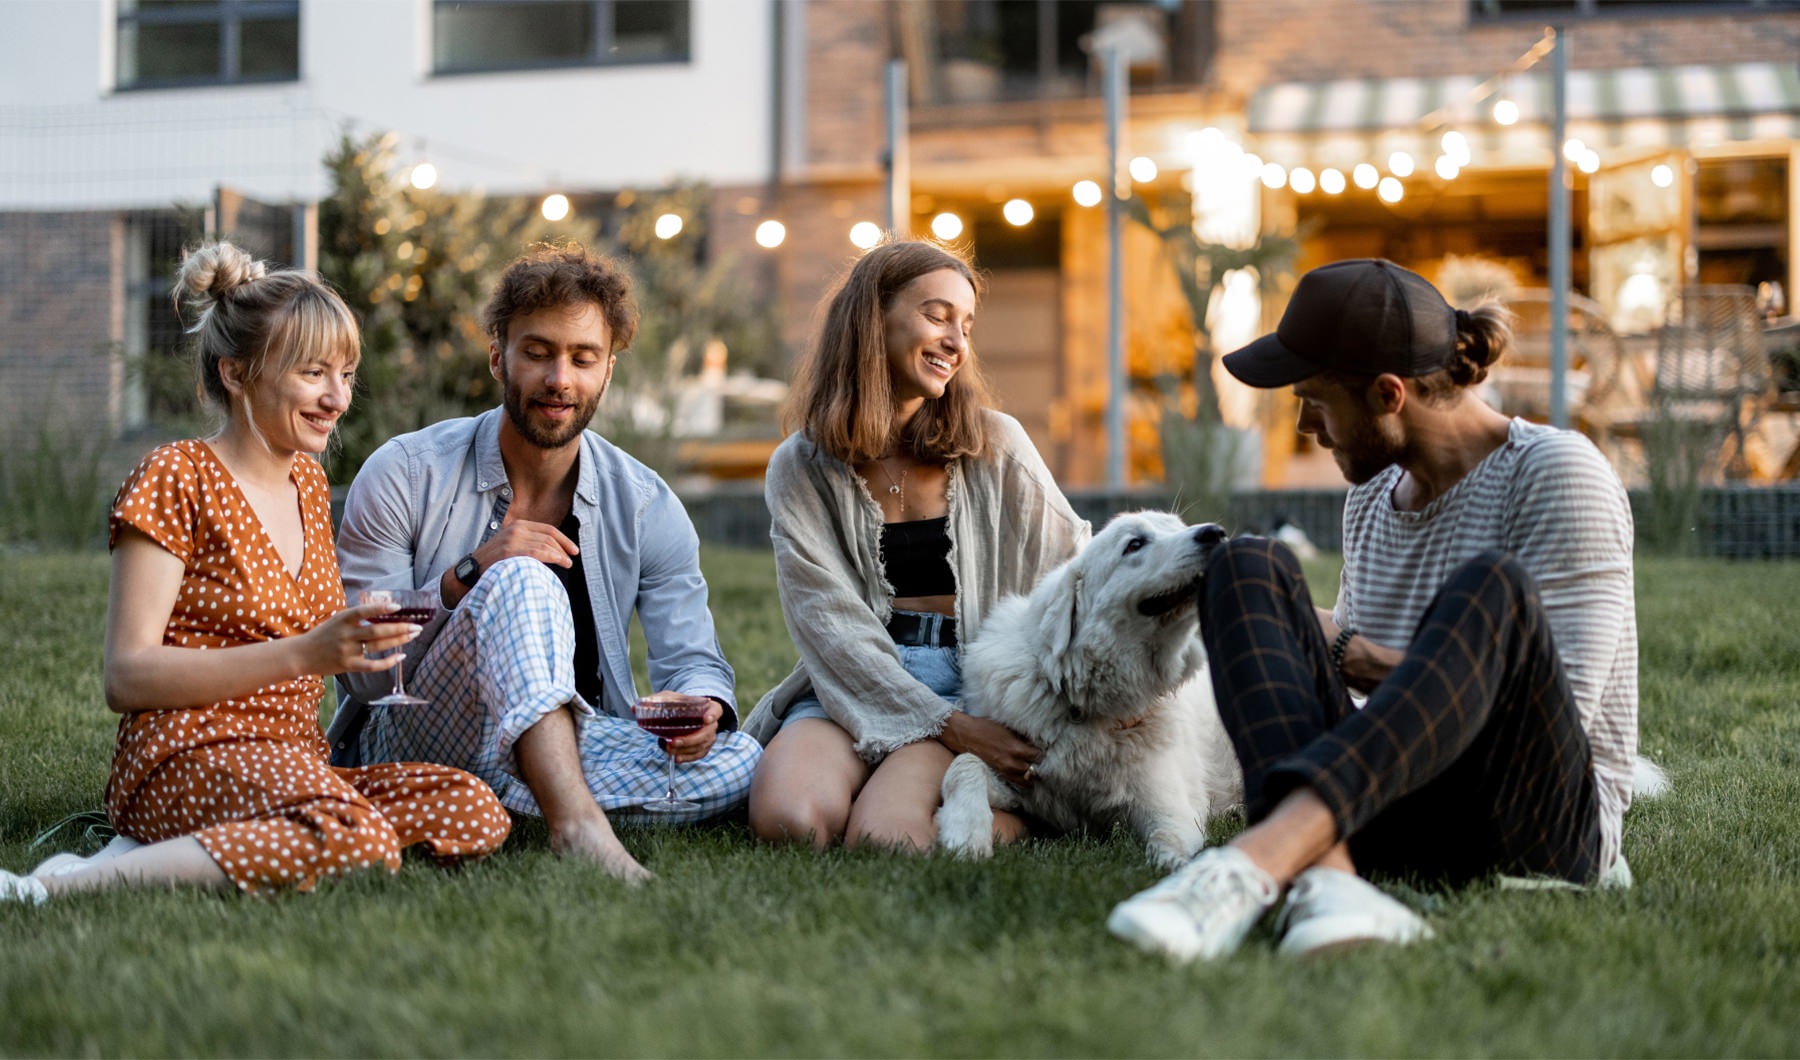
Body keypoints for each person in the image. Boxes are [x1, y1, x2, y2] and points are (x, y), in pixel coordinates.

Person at [1107, 258, 1640, 961]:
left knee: (1493, 588)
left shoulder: (1556, 474)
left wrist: (1345, 649)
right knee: (1245, 565)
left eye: (1317, 402)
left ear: (1389, 394)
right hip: (1395, 806)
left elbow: (1552, 710)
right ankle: (1329, 881)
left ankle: (1262, 862)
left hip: (1535, 824)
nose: (1304, 425)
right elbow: (1369, 691)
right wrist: (1297, 635)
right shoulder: (1372, 496)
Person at [0, 242, 511, 906]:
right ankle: (65, 885)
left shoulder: (307, 483)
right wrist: (306, 652)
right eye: (313, 373)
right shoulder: (178, 476)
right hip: (185, 753)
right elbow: (125, 677)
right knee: (357, 840)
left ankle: (213, 847)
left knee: (472, 806)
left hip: (292, 760)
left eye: (347, 374)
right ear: (236, 374)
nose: (338, 397)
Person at [327, 243, 760, 884]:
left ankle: (506, 804)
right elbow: (365, 675)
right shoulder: (405, 471)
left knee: (742, 761)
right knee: (522, 577)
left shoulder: (644, 504)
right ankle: (576, 825)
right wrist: (468, 574)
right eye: (538, 353)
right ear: (498, 356)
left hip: (569, 742)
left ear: (608, 370)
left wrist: (704, 710)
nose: (561, 378)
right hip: (411, 738)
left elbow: (692, 657)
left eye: (583, 358)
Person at [743, 238, 1090, 850]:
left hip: (974, 681)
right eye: (937, 316)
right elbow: (829, 625)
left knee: (886, 839)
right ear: (873, 318)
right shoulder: (799, 466)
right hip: (858, 678)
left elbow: (1074, 566)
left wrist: (972, 721)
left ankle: (1030, 817)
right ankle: (905, 776)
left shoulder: (996, 443)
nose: (957, 342)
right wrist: (946, 728)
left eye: (966, 324)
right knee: (789, 821)